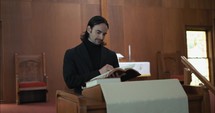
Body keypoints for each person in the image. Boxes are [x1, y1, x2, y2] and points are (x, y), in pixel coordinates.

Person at [63, 16, 119, 94]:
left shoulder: (111, 55)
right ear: (89, 29)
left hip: (108, 97)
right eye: (98, 32)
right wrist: (99, 73)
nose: (101, 37)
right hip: (82, 98)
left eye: (104, 34)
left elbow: (118, 81)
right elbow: (70, 82)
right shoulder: (72, 54)